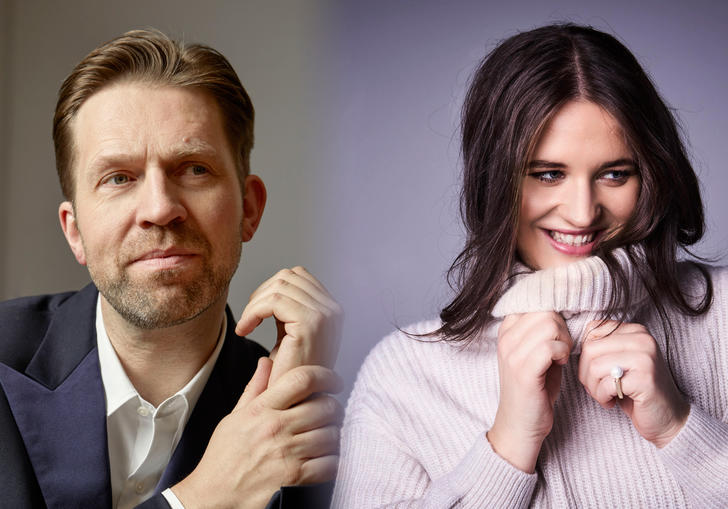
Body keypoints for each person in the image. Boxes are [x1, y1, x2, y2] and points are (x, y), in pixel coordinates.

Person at [332, 23, 728, 507]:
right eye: (548, 174)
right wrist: (506, 447)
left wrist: (679, 427)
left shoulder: (722, 317)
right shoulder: (404, 377)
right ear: (492, 180)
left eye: (614, 173)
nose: (582, 212)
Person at [0, 30, 343, 508]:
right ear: (73, 230)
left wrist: (291, 404)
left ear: (248, 208)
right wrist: (205, 497)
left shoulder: (318, 427)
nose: (160, 208)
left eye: (194, 169)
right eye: (119, 178)